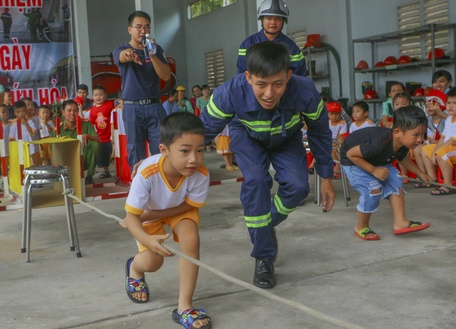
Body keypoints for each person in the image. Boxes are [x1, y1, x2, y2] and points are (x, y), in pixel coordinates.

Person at [201, 41, 335, 289]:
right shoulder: (229, 93)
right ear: (248, 77)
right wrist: (169, 165)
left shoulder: (305, 92)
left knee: (297, 187)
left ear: (289, 76)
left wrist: (326, 176)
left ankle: (265, 224)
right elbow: (200, 134)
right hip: (247, 137)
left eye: (278, 84)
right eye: (261, 84)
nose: (269, 94)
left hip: (287, 139)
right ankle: (264, 257)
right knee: (256, 181)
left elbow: (320, 132)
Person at [123, 112, 211, 329]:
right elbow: (131, 217)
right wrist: (145, 236)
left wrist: (151, 216)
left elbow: (189, 205)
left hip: (178, 210)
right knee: (154, 261)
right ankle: (135, 269)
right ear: (164, 150)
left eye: (200, 150)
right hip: (149, 213)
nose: (194, 159)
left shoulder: (200, 173)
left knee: (191, 239)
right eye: (185, 151)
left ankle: (184, 306)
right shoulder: (146, 174)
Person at [340, 106, 432, 241]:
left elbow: (403, 159)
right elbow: (351, 154)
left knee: (395, 179)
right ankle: (361, 226)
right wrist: (373, 170)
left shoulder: (402, 144)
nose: (420, 139)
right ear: (397, 132)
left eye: (422, 135)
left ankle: (400, 222)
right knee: (373, 188)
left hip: (376, 159)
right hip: (354, 161)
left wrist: (420, 173)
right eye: (415, 135)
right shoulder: (378, 143)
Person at [112, 10, 171, 169]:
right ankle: (139, 187)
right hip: (132, 108)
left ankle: (161, 187)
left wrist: (152, 55)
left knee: (161, 149)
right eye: (138, 27)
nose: (142, 31)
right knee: (135, 150)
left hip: (155, 106)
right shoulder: (121, 49)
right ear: (129, 29)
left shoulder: (156, 50)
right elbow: (122, 56)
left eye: (146, 27)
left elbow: (165, 76)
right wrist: (130, 55)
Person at [237, 0, 306, 76]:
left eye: (278, 18)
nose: (273, 22)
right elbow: (242, 76)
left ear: (283, 21)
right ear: (262, 19)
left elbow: (300, 78)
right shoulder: (248, 45)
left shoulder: (292, 48)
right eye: (269, 18)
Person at [53, 100, 100, 185]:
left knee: (95, 145)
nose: (72, 113)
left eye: (75, 110)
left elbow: (98, 139)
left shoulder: (85, 124)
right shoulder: (58, 129)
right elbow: (52, 150)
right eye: (69, 110)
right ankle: (63, 177)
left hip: (83, 157)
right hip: (67, 160)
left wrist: (87, 136)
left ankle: (89, 176)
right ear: (63, 112)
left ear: (78, 111)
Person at [414, 89, 447, 188]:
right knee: (417, 149)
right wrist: (428, 141)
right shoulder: (428, 120)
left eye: (432, 106)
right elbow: (429, 136)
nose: (428, 109)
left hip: (444, 143)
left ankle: (432, 177)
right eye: (427, 107)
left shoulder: (445, 118)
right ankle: (423, 175)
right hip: (434, 143)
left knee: (425, 151)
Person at [426, 87, 456, 195]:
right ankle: (432, 178)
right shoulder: (449, 119)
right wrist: (434, 151)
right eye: (449, 103)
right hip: (450, 147)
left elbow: (452, 141)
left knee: (441, 154)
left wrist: (437, 152)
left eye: (454, 103)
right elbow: (443, 138)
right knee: (426, 150)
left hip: (453, 146)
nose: (451, 106)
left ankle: (448, 186)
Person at [89, 85, 115, 179]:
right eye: (96, 95)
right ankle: (106, 171)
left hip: (111, 136)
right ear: (92, 97)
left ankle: (120, 171)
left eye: (100, 95)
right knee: (103, 155)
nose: (98, 97)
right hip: (101, 137)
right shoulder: (92, 110)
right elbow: (92, 124)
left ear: (105, 95)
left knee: (115, 153)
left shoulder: (110, 105)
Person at [8, 100, 40, 165]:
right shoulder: (14, 124)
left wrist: (25, 123)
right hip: (20, 148)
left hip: (30, 148)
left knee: (32, 164)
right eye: (18, 112)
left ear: (26, 111)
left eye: (23, 111)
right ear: (15, 113)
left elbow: (32, 133)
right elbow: (12, 138)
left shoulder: (30, 122)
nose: (21, 114)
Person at [327, 101, 347, 179]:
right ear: (328, 114)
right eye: (331, 114)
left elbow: (341, 136)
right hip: (330, 142)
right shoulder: (326, 123)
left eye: (336, 114)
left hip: (339, 142)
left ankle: (337, 166)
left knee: (333, 147)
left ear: (340, 114)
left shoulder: (342, 123)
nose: (334, 116)